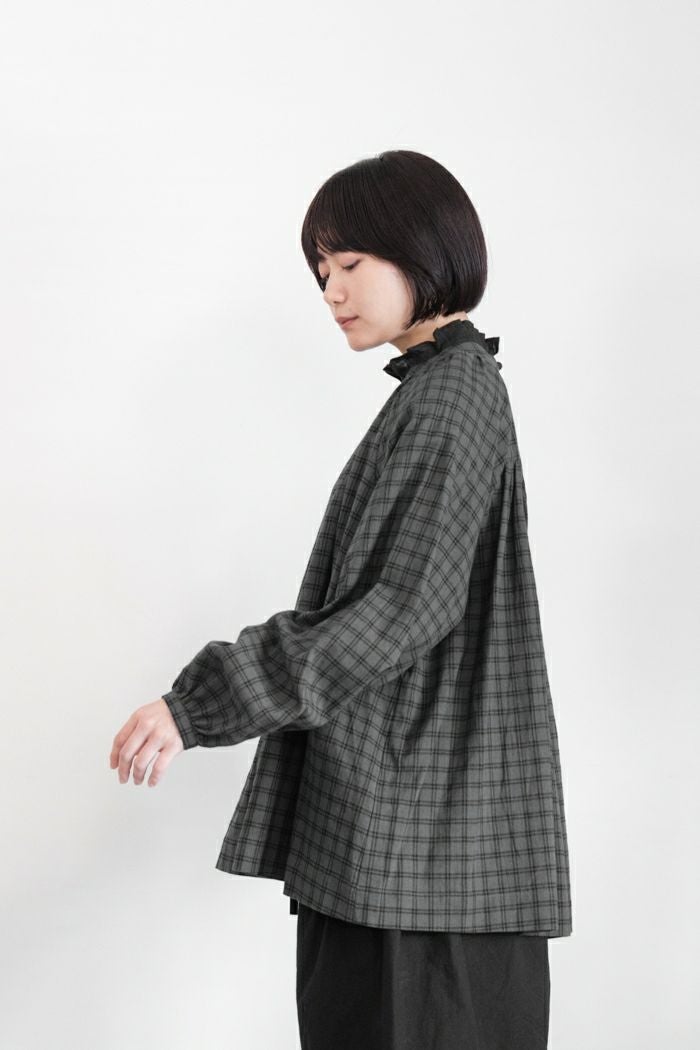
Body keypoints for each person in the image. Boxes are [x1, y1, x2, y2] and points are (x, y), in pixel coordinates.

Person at [110, 149, 572, 1049]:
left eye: (350, 263)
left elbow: (399, 612)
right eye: (321, 271)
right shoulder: (442, 391)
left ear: (423, 250)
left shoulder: (453, 397)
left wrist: (202, 703)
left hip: (419, 856)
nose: (331, 291)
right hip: (413, 850)